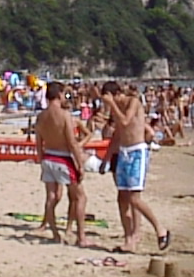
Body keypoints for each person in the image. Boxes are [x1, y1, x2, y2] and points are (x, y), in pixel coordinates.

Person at [102, 81, 170, 254]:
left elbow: (125, 122)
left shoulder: (134, 102)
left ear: (116, 94)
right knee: (122, 198)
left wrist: (112, 104)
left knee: (134, 198)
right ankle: (129, 240)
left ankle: (160, 230)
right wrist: (107, 159)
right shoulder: (115, 109)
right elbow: (118, 134)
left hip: (136, 152)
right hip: (123, 152)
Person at [35, 81, 91, 246]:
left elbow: (39, 143)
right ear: (59, 94)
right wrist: (79, 164)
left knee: (51, 197)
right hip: (63, 158)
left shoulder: (41, 116)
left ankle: (54, 232)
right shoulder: (64, 115)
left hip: (48, 157)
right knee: (80, 197)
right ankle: (81, 237)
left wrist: (41, 159)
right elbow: (72, 142)